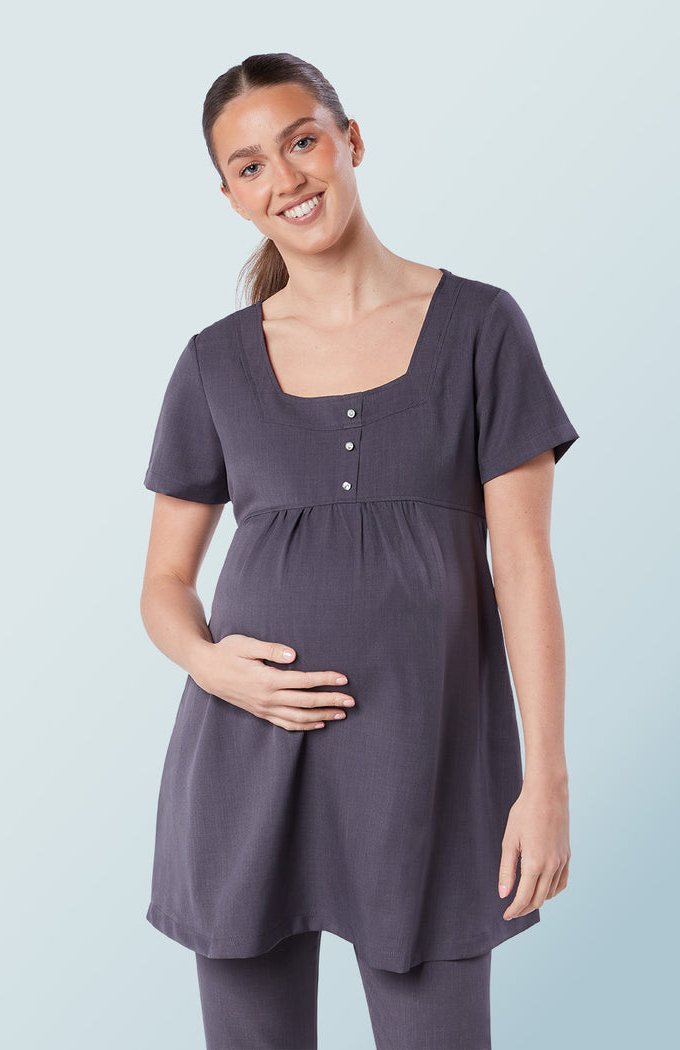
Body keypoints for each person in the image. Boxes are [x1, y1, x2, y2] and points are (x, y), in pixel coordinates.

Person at [140, 52, 579, 1050]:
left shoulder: (480, 327)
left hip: (431, 769)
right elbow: (163, 582)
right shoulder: (213, 362)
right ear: (230, 196)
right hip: (245, 765)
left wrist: (545, 779)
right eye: (250, 166)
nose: (286, 178)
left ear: (351, 141)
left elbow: (523, 568)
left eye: (302, 141)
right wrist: (211, 664)